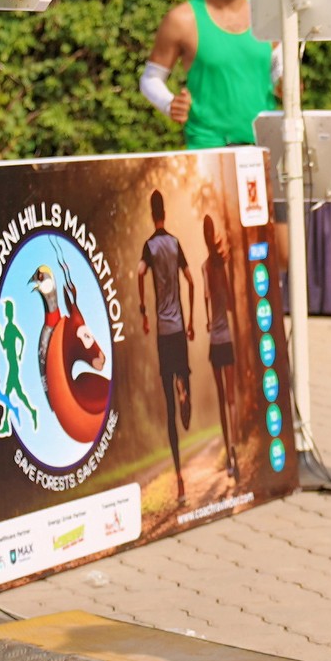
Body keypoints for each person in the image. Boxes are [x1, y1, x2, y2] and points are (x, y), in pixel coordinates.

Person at [141, 0, 280, 151]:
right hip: (209, 148)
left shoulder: (267, 13)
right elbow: (150, 79)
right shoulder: (182, 19)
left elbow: (277, 68)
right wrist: (169, 104)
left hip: (264, 146)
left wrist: (285, 84)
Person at [139, 191, 196, 509]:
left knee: (170, 413)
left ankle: (179, 479)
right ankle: (183, 386)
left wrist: (144, 312)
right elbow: (190, 280)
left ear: (152, 214)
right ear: (165, 212)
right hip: (178, 331)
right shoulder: (175, 243)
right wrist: (191, 319)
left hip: (162, 332)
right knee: (183, 377)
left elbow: (139, 273)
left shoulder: (149, 246)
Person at [201, 217, 245, 488]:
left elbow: (207, 304)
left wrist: (209, 321)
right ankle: (234, 448)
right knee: (231, 399)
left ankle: (229, 454)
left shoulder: (206, 267)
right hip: (226, 338)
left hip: (215, 341)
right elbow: (229, 302)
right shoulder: (221, 264)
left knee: (221, 400)